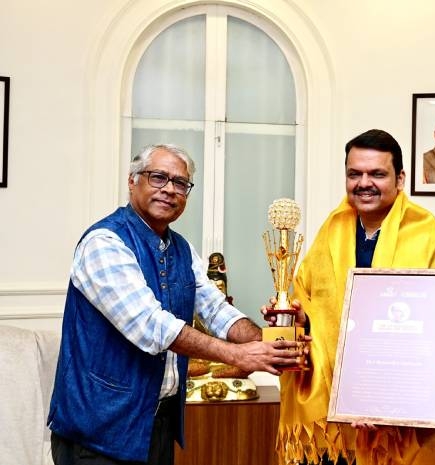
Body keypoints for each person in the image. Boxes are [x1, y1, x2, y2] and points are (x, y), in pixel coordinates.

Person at [47, 144, 303, 465]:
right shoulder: (104, 242)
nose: (169, 189)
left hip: (157, 426)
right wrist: (237, 355)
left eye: (180, 183)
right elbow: (152, 326)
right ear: (132, 181)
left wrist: (269, 344)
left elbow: (216, 310)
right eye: (158, 177)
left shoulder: (181, 248)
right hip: (98, 432)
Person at [274, 129, 435, 465]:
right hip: (330, 415)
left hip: (398, 415)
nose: (364, 183)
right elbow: (310, 302)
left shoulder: (427, 233)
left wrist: (381, 399)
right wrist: (299, 318)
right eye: (354, 174)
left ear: (400, 179)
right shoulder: (332, 229)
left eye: (377, 174)